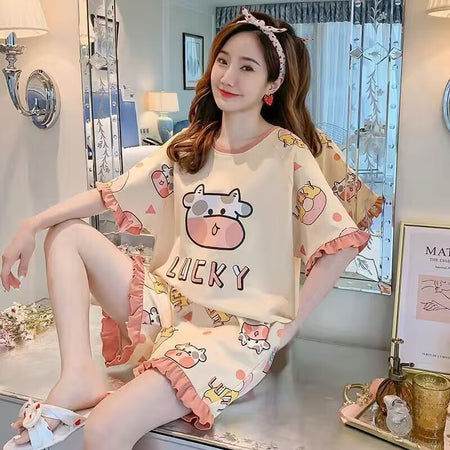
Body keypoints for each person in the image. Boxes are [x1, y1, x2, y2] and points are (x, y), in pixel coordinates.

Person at [1, 8, 371, 450]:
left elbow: (341, 244)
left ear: (272, 84)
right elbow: (110, 193)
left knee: (103, 429)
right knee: (66, 233)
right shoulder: (191, 144)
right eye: (223, 60)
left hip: (232, 334)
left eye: (247, 67)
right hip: (169, 306)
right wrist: (33, 222)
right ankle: (77, 374)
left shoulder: (286, 153)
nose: (227, 76)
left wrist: (290, 326)